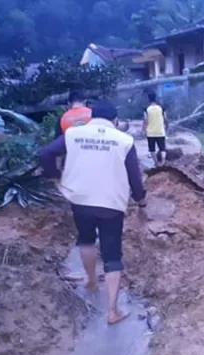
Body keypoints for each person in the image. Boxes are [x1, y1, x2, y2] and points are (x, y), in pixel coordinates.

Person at [39, 100, 147, 325]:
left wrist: (54, 174)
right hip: (111, 203)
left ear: (90, 117)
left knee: (86, 239)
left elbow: (46, 153)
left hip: (80, 199)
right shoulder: (124, 140)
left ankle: (91, 281)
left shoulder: (74, 134)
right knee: (112, 255)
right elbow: (134, 177)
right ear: (115, 120)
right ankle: (112, 311)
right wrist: (140, 200)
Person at [143, 92, 167, 166]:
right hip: (160, 131)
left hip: (150, 133)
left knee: (152, 149)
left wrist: (144, 130)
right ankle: (163, 162)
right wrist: (166, 126)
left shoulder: (146, 109)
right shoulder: (161, 108)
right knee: (162, 148)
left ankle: (156, 163)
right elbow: (165, 118)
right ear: (155, 98)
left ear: (148, 99)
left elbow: (145, 120)